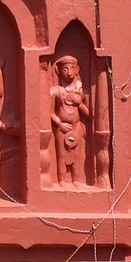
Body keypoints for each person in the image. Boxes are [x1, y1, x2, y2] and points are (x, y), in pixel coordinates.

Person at [49, 55, 90, 187]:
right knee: (61, 154)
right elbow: (49, 113)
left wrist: (80, 104)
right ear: (58, 71)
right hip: (62, 128)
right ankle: (62, 180)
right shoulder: (55, 91)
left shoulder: (80, 92)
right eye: (65, 69)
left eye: (72, 68)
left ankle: (75, 180)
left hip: (76, 126)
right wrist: (60, 124)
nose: (69, 72)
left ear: (77, 70)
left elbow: (89, 114)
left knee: (77, 155)